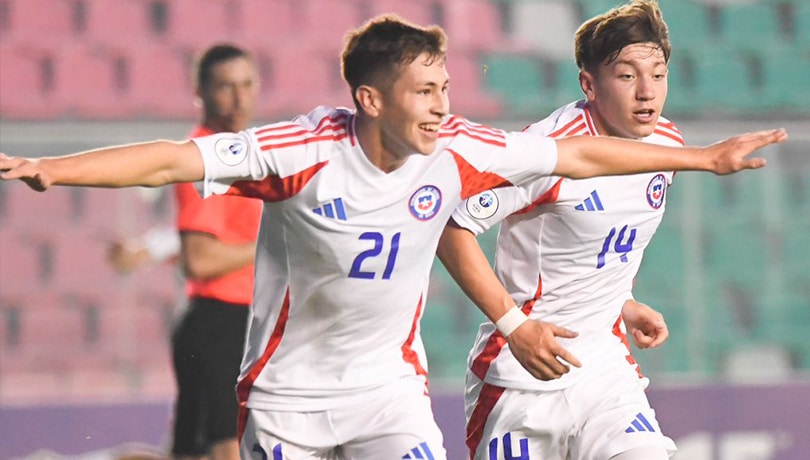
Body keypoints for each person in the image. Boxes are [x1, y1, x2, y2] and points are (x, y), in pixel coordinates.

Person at [0, 14, 786, 460]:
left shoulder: (458, 152)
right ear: (372, 100)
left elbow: (579, 154)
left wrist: (701, 158)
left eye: (446, 87)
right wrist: (52, 168)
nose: (443, 106)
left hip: (391, 394)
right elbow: (171, 159)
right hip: (288, 400)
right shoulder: (300, 153)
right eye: (425, 91)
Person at [436, 1, 690, 458]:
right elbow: (451, 227)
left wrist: (622, 301)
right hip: (523, 378)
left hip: (604, 370)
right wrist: (515, 326)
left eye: (658, 73)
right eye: (627, 76)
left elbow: (591, 242)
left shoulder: (667, 145)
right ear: (589, 84)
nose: (647, 93)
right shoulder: (546, 151)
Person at [118, 44, 263, 460]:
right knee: (226, 449)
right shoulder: (203, 161)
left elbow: (198, 237)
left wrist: (146, 250)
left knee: (186, 456)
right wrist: (273, 248)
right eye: (225, 87)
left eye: (247, 85)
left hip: (232, 321)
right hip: (220, 321)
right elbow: (200, 260)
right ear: (200, 91)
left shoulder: (236, 155)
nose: (239, 98)